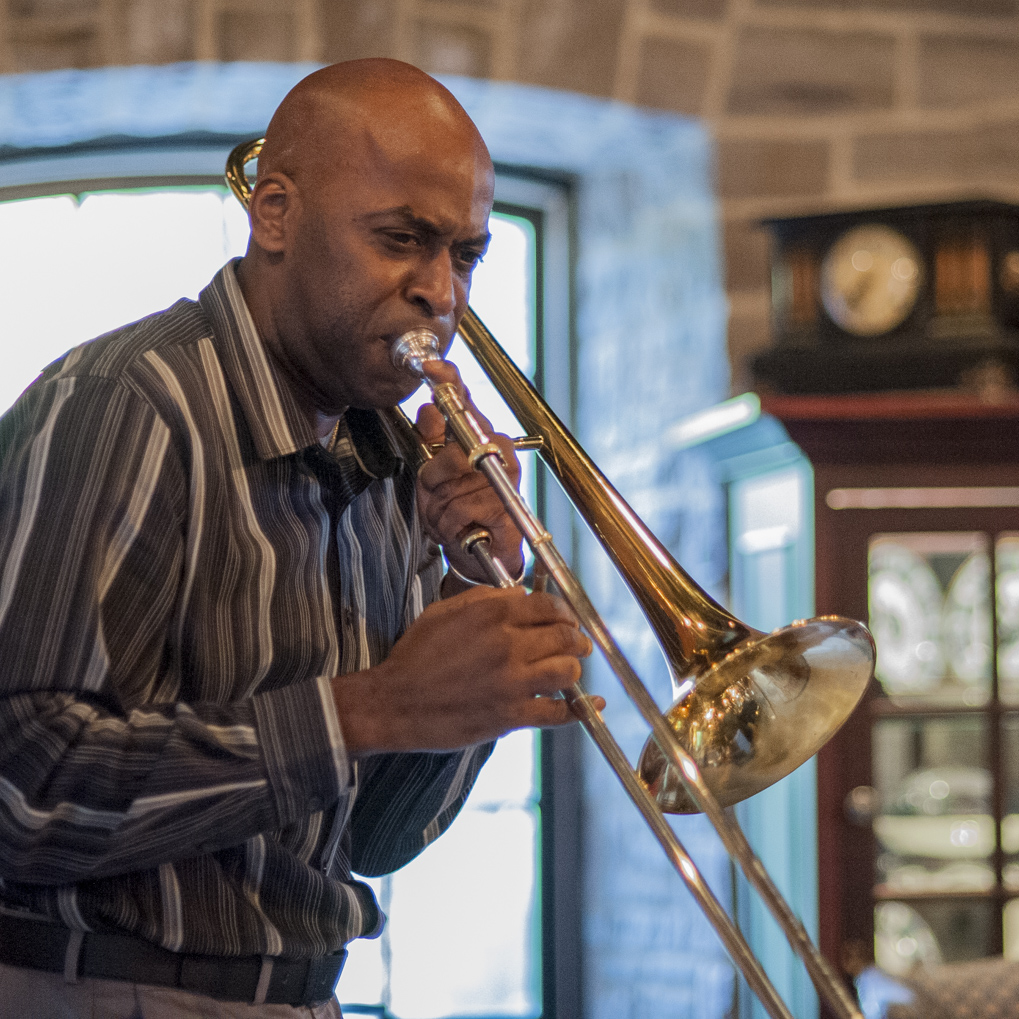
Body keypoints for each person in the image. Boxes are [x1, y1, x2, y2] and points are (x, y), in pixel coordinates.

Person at [0, 58, 596, 1018]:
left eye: (468, 255)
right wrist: (365, 709)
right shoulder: (128, 405)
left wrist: (471, 593)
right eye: (402, 240)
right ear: (274, 213)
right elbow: (25, 792)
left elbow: (373, 840)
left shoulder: (387, 458)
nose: (441, 294)